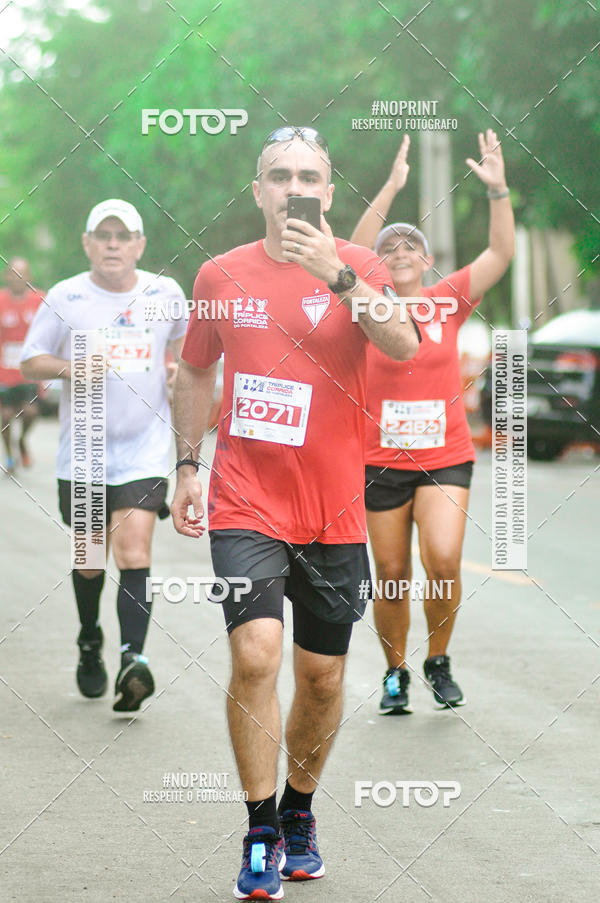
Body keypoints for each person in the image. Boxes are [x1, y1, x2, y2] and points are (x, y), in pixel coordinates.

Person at [170, 126, 419, 901]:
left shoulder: (362, 265)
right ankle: (258, 829)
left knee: (320, 678)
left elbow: (404, 343)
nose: (291, 187)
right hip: (245, 496)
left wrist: (340, 276)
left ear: (330, 190)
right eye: (278, 175)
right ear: (257, 190)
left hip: (335, 508)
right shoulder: (220, 274)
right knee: (256, 656)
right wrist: (186, 463)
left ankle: (300, 811)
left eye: (307, 175)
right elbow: (194, 368)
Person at [351, 130, 515, 714]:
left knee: (442, 559)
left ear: (428, 261)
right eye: (389, 246)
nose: (398, 251)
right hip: (380, 461)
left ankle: (437, 660)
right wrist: (392, 190)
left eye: (410, 246)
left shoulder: (447, 300)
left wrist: (497, 191)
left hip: (445, 457)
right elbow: (351, 249)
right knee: (391, 571)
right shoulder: (365, 304)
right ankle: (395, 672)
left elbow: (499, 255)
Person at [21, 199, 187, 711]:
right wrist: (70, 368)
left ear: (139, 244)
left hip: (144, 449)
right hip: (86, 450)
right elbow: (30, 361)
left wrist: (178, 370)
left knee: (133, 550)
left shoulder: (166, 293)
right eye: (104, 235)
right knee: (90, 559)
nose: (113, 244)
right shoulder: (66, 296)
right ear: (88, 243)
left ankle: (132, 658)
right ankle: (90, 638)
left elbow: (184, 350)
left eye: (124, 235)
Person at [0, 257, 44, 474]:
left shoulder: (40, 300)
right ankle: (9, 455)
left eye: (22, 273)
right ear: (6, 276)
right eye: (13, 273)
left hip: (29, 370)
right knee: (5, 416)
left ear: (29, 276)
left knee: (30, 413)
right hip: (4, 371)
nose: (17, 278)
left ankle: (22, 442)